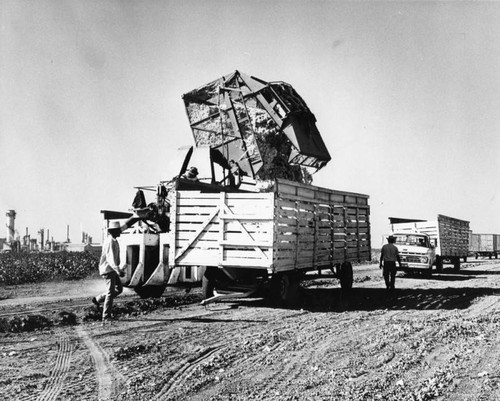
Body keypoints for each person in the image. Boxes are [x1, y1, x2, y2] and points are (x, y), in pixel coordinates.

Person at [92, 221, 125, 323]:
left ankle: (97, 300)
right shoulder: (110, 241)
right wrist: (118, 270)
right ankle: (106, 316)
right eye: (118, 230)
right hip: (108, 269)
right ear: (114, 231)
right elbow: (111, 259)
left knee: (119, 289)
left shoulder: (113, 240)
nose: (120, 232)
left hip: (111, 269)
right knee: (111, 292)